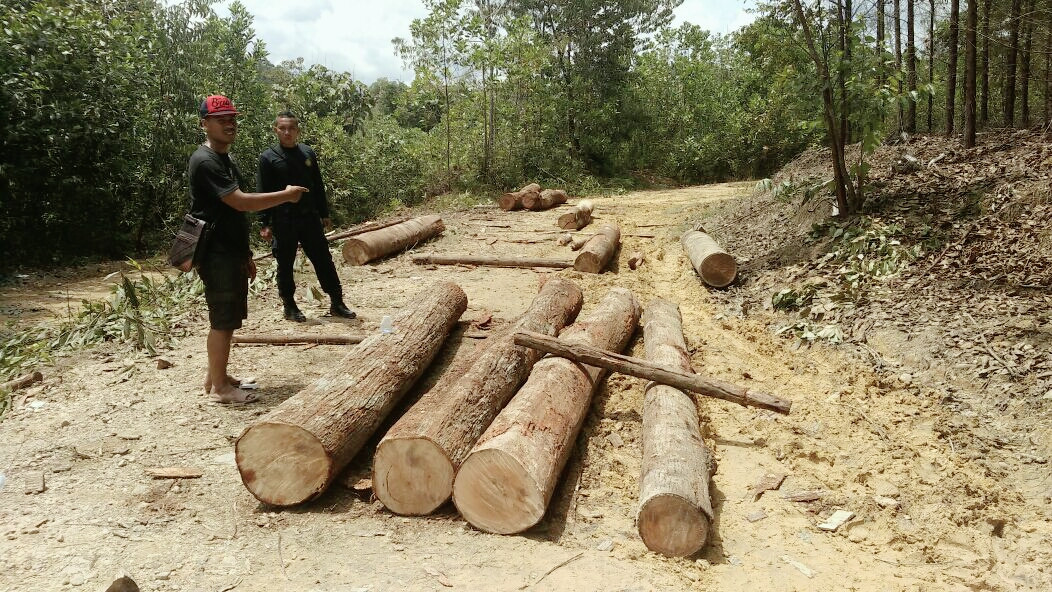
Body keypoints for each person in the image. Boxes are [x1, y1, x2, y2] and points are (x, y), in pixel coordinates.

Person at [189, 95, 308, 404]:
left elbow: (233, 213)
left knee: (229, 318)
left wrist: (245, 254)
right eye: (220, 119)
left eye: (232, 118)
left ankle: (219, 375)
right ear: (204, 124)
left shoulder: (224, 158)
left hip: (230, 251)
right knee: (222, 320)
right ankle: (221, 389)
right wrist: (284, 195)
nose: (229, 124)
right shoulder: (204, 161)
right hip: (215, 253)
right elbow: (240, 201)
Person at [257, 111, 355, 322]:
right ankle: (289, 305)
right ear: (276, 130)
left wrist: (324, 213)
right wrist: (264, 222)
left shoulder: (307, 153)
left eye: (291, 128)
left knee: (323, 260)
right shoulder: (268, 157)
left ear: (298, 131)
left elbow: (317, 185)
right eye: (282, 128)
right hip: (283, 219)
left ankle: (337, 302)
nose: (287, 132)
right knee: (285, 263)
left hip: (309, 218)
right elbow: (263, 191)